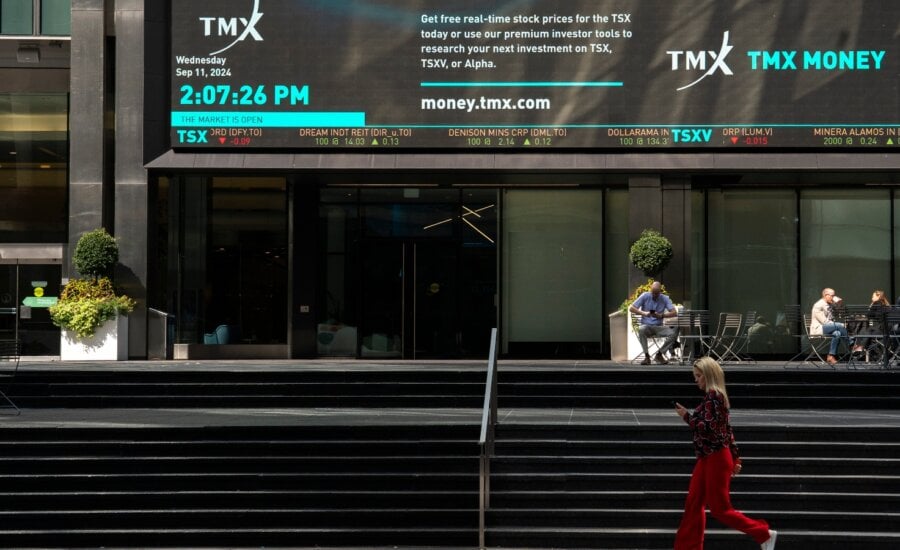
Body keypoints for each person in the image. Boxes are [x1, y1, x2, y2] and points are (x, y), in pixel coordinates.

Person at [673, 357, 777, 550]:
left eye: (698, 376)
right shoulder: (714, 397)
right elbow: (727, 430)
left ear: (708, 375)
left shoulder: (714, 397)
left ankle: (763, 533)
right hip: (709, 457)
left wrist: (686, 416)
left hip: (716, 457)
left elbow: (708, 429)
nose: (696, 380)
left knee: (720, 509)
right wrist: (736, 456)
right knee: (694, 502)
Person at [629, 281, 679, 365]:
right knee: (641, 329)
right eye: (653, 293)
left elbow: (674, 312)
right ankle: (646, 356)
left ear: (660, 292)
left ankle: (659, 354)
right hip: (646, 326)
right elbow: (631, 308)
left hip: (658, 327)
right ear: (650, 290)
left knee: (674, 333)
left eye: (656, 293)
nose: (654, 295)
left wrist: (661, 316)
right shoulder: (645, 295)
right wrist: (644, 313)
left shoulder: (665, 298)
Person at [810, 287, 860, 365]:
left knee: (837, 333)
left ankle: (831, 355)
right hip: (818, 329)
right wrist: (839, 325)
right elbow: (825, 322)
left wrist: (839, 304)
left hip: (828, 328)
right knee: (840, 326)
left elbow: (840, 315)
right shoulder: (818, 305)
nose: (833, 297)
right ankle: (851, 344)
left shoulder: (830, 304)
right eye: (832, 295)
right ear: (826, 295)